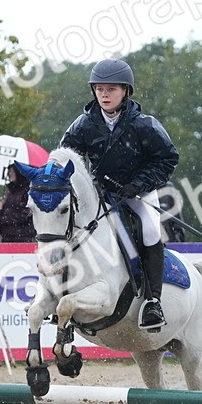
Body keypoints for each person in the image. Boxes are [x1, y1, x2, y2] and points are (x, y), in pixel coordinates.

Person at [59, 58, 178, 331]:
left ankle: (152, 301)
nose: (104, 94)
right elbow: (66, 159)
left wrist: (138, 184)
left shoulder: (144, 124)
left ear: (126, 91)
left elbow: (167, 159)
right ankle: (60, 290)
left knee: (150, 230)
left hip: (138, 194)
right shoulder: (84, 124)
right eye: (99, 88)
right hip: (99, 194)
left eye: (111, 88)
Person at [0, 164, 36, 243]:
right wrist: (0, 210)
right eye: (9, 172)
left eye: (12, 171)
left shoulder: (27, 191)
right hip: (7, 236)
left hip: (22, 237)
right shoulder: (10, 191)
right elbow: (9, 210)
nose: (10, 174)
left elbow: (27, 213)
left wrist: (5, 219)